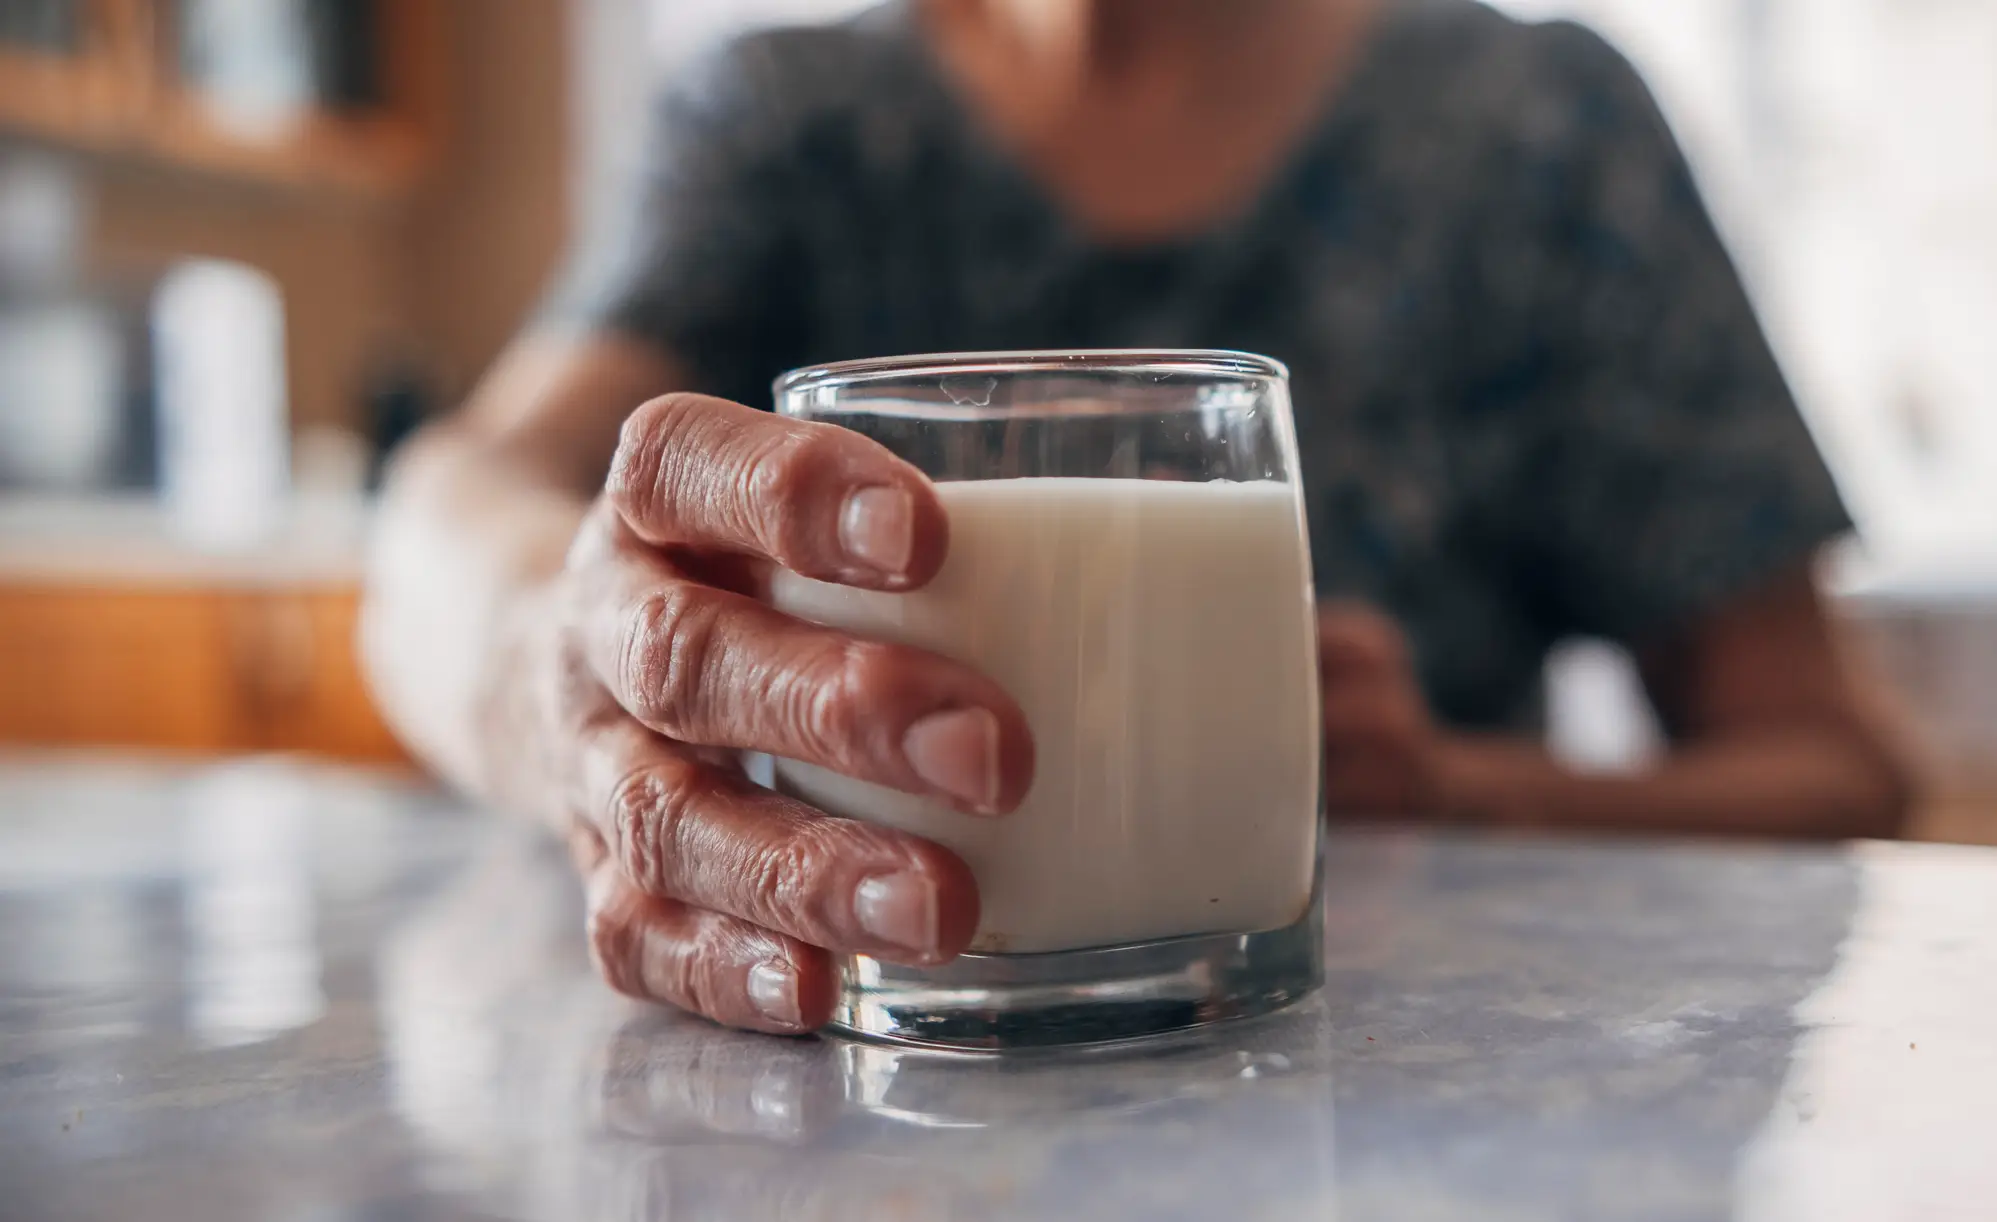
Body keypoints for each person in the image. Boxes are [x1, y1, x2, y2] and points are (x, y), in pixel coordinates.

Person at [360, 0, 1912, 1036]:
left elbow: (1837, 766)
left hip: (1372, 1108)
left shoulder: (1537, 134)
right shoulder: (787, 127)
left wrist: (1455, 790)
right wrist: (564, 664)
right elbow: (447, 510)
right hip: (876, 1116)